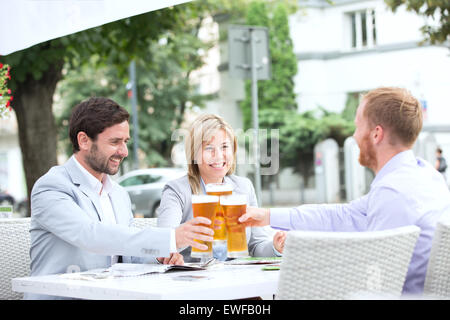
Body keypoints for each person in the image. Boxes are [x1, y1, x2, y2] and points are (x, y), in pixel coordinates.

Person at [239, 87, 450, 295]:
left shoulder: (393, 192)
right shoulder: (425, 174)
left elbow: (375, 276)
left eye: (358, 126)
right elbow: (343, 215)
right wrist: (268, 216)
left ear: (376, 134)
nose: (355, 136)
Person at [27, 97, 214, 299]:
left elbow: (128, 257)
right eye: (114, 142)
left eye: (125, 142)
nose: (124, 151)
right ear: (84, 141)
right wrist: (169, 238)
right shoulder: (52, 186)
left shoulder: (118, 194)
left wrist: (159, 257)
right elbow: (90, 235)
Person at [157, 113, 286, 263]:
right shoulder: (176, 190)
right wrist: (174, 249)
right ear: (193, 154)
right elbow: (164, 241)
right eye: (209, 148)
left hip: (234, 277)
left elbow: (256, 245)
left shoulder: (244, 187)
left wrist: (276, 247)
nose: (218, 156)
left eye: (224, 147)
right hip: (194, 280)